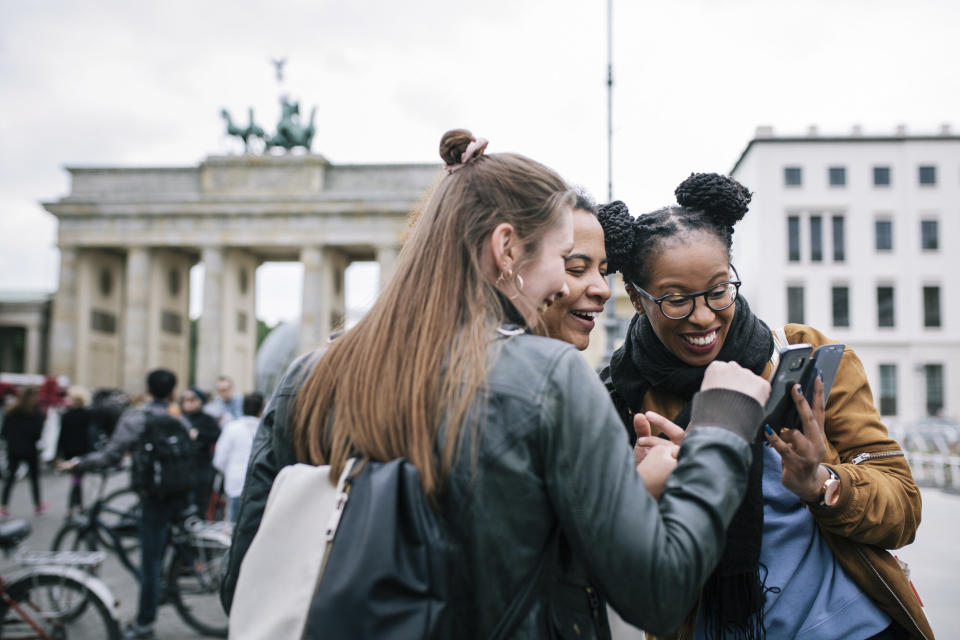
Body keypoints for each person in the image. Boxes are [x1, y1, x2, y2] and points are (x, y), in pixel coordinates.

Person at [221, 129, 773, 638]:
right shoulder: (547, 378)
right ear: (507, 249)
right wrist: (719, 433)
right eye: (565, 258)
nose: (573, 281)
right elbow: (658, 593)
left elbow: (247, 579)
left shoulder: (307, 377)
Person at [597, 173, 931, 639]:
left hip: (853, 627)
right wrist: (649, 493)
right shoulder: (616, 400)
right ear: (636, 296)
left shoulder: (806, 356)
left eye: (718, 290)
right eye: (676, 300)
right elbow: (615, 572)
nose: (703, 316)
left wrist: (822, 483)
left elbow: (903, 509)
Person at [59, 368, 193, 640]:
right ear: (172, 392)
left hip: (154, 497)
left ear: (146, 390)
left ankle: (144, 624)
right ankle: (165, 586)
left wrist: (79, 464)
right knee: (161, 549)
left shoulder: (137, 418)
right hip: (179, 493)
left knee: (150, 563)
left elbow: (111, 455)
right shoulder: (178, 417)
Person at [213, 392, 263, 523]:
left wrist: (228, 471)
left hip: (235, 483)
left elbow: (219, 459)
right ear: (261, 409)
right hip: (260, 485)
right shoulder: (266, 429)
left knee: (234, 526)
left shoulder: (232, 428)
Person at [0, 386, 49, 517]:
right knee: (34, 479)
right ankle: (38, 505)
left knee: (10, 478)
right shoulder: (36, 412)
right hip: (29, 449)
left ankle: (4, 506)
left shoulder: (11, 411)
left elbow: (4, 432)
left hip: (14, 449)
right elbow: (38, 433)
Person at [179, 387, 221, 518]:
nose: (188, 403)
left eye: (192, 400)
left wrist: (198, 435)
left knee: (199, 502)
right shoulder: (179, 419)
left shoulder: (208, 419)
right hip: (181, 468)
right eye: (185, 400)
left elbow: (217, 435)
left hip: (201, 467)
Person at [56, 386, 94, 516]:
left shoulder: (68, 415)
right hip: (81, 451)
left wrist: (59, 453)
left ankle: (73, 507)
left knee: (76, 480)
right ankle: (76, 506)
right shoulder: (87, 414)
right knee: (77, 480)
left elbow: (62, 436)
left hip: (72, 451)